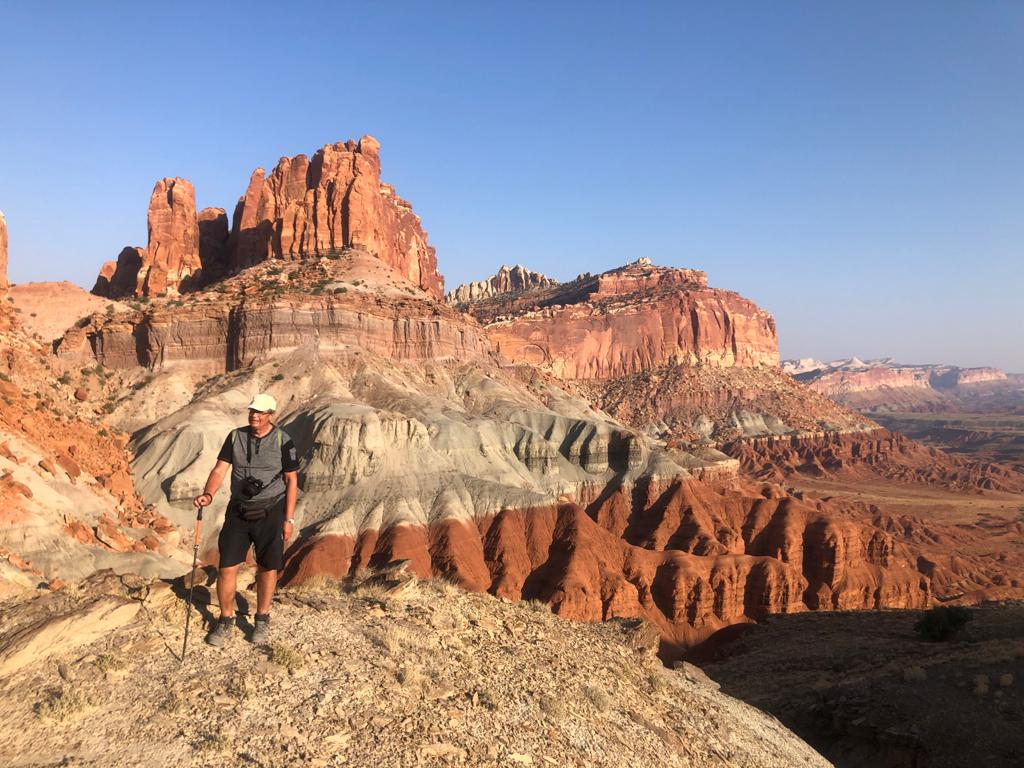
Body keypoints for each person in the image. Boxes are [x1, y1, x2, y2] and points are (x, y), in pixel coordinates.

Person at [193, 393, 300, 646]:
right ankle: (226, 620)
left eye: (260, 412)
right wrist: (208, 494)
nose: (254, 415)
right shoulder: (235, 437)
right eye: (252, 410)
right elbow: (220, 469)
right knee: (227, 566)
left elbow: (291, 480)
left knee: (267, 567)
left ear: (270, 415)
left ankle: (262, 619)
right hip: (238, 510)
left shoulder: (284, 441)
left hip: (271, 511)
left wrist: (289, 519)